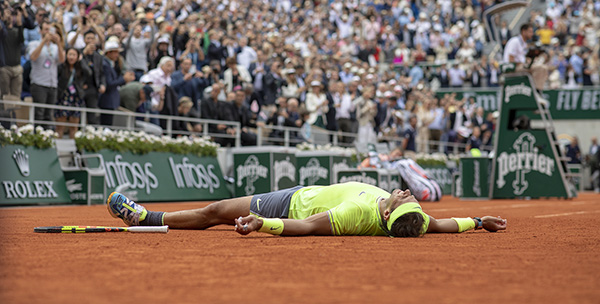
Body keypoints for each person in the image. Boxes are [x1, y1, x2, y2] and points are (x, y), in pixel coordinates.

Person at [107, 183, 507, 237]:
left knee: (217, 211)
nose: (405, 193)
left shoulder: (356, 214)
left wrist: (265, 224)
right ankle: (147, 217)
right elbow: (442, 225)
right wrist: (477, 221)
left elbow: (307, 226)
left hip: (290, 203)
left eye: (404, 198)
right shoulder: (416, 221)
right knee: (218, 213)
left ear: (387, 215)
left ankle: (145, 218)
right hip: (303, 194)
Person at [27, 20, 65, 126]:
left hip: (52, 84)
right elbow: (33, 57)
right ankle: (38, 137)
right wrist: (43, 41)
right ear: (41, 31)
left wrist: (58, 42)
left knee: (49, 114)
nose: (48, 32)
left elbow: (62, 60)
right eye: (46, 29)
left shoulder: (55, 47)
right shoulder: (34, 44)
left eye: (50, 30)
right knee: (39, 113)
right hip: (39, 83)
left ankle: (47, 136)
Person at [54, 48, 91, 138]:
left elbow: (89, 72)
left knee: (74, 125)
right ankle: (57, 145)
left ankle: (73, 148)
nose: (71, 57)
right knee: (60, 124)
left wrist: (81, 60)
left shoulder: (80, 68)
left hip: (76, 97)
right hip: (63, 96)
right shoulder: (61, 67)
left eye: (74, 55)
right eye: (70, 54)